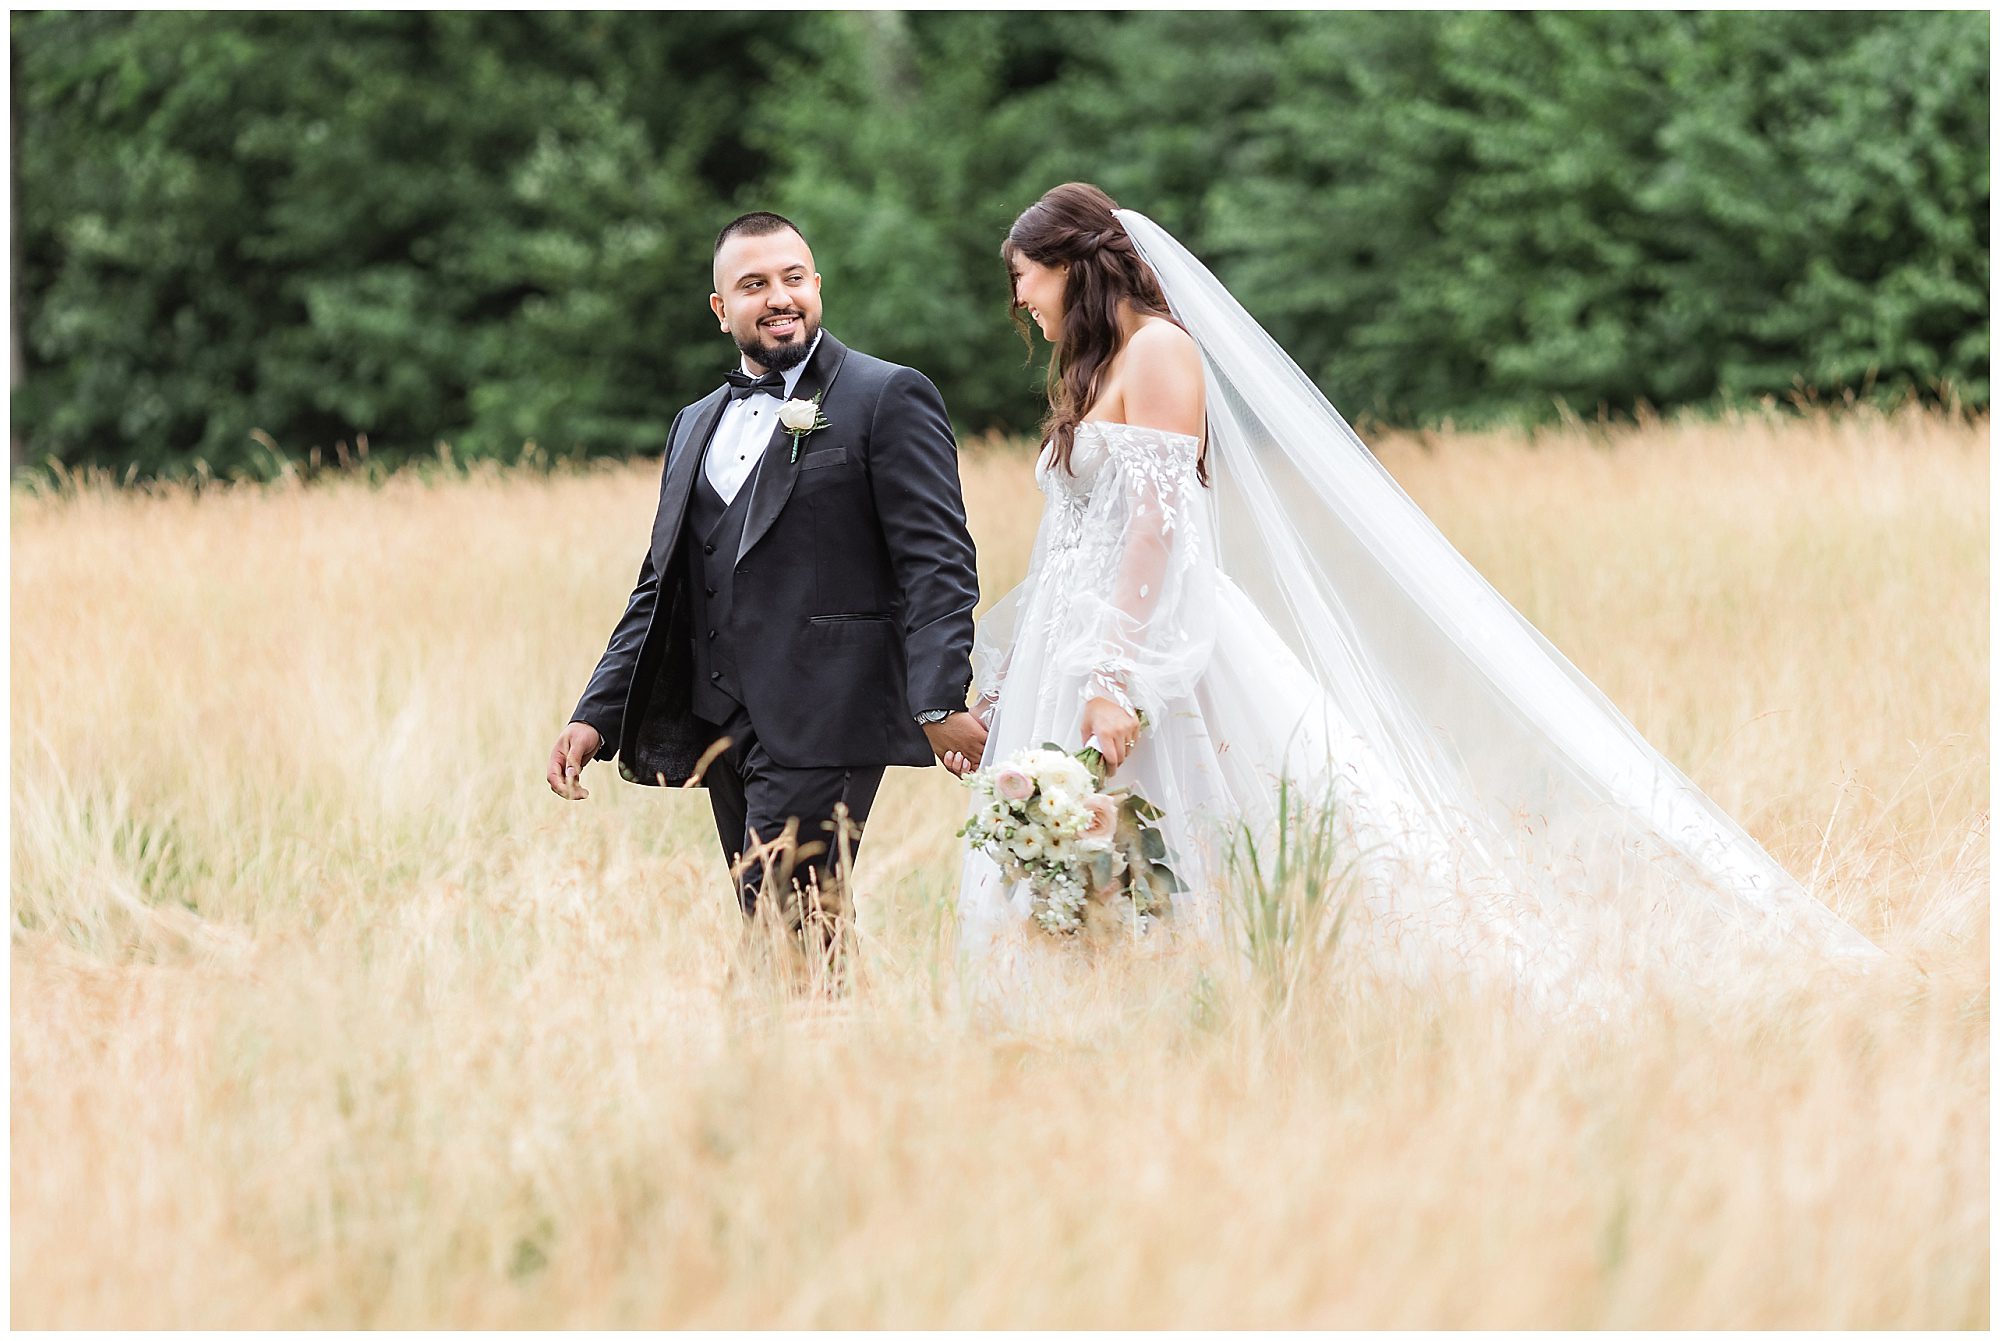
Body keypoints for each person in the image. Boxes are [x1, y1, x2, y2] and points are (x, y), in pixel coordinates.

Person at [957, 183, 1880, 1006]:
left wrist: (1114, 670)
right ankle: (1124, 1008)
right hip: (1082, 640)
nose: (1021, 301)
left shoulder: (1159, 353)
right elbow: (1078, 540)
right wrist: (1014, 679)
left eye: (1027, 277)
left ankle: (1260, 992)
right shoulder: (1097, 368)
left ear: (1077, 266)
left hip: (1147, 644)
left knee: (1218, 818)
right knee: (1094, 846)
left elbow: (1159, 528)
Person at [548, 211, 987, 942]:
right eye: (754, 285)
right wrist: (596, 714)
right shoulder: (693, 422)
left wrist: (940, 697)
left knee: (784, 922)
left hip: (829, 712)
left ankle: (800, 1048)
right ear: (722, 310)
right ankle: (830, 1051)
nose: (779, 297)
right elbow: (660, 585)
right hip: (719, 719)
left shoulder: (887, 395)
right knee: (793, 928)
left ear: (817, 286)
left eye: (792, 278)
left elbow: (939, 559)